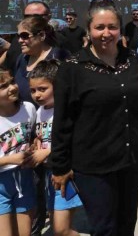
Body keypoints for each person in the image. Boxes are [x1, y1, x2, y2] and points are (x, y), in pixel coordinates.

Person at [51, 0, 138, 236]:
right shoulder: (72, 68)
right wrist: (60, 166)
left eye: (112, 27)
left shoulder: (133, 59)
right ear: (89, 29)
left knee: (127, 223)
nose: (106, 33)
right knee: (104, 227)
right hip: (93, 165)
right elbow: (62, 121)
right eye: (100, 27)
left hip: (131, 160)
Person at [29, 60, 82, 236]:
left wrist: (47, 151)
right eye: (33, 90)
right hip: (48, 174)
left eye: (42, 89)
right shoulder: (40, 110)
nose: (37, 95)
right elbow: (42, 135)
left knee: (60, 229)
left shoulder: (65, 109)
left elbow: (74, 138)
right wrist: (37, 143)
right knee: (55, 225)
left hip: (65, 174)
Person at [0, 69, 36, 236]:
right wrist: (10, 159)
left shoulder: (28, 108)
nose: (12, 87)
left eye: (12, 82)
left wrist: (34, 148)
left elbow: (36, 136)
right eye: (3, 86)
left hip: (25, 178)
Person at [15, 16, 68, 105]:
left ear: (42, 35)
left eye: (24, 36)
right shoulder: (21, 58)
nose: (20, 40)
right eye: (18, 36)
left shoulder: (60, 57)